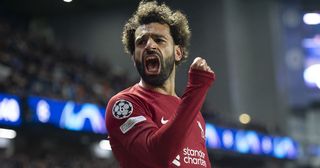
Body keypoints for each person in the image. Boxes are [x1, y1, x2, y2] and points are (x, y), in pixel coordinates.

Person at [105, 1, 215, 167]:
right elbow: (157, 156)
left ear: (178, 52)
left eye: (159, 40)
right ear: (134, 58)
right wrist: (197, 89)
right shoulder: (124, 104)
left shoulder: (194, 114)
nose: (149, 45)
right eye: (141, 42)